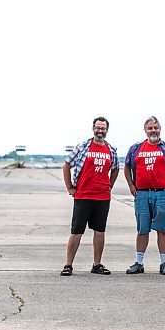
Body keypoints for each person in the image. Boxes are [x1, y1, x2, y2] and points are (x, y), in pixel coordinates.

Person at [60, 116, 119, 276]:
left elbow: (115, 168)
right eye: (97, 128)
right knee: (76, 231)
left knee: (99, 231)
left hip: (102, 197)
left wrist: (109, 185)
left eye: (103, 128)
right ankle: (68, 265)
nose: (100, 131)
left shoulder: (111, 150)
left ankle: (97, 264)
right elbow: (66, 165)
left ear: (107, 130)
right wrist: (70, 188)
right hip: (83, 196)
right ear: (93, 129)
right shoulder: (83, 147)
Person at [124, 116, 165, 275]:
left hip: (162, 194)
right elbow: (127, 167)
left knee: (162, 229)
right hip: (142, 194)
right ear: (145, 130)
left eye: (155, 128)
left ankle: (163, 263)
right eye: (150, 128)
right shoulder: (136, 148)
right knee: (142, 229)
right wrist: (131, 185)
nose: (153, 131)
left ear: (160, 129)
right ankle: (139, 263)